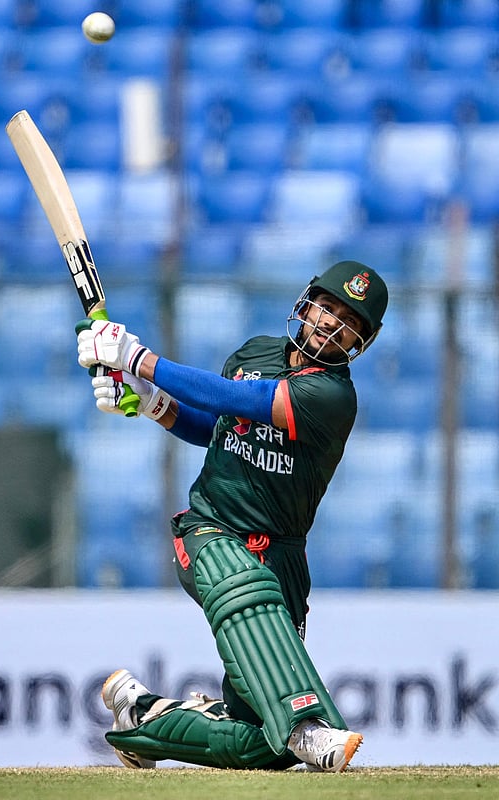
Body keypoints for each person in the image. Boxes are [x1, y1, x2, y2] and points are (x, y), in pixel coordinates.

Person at [75, 261, 387, 772]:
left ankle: (144, 717)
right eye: (327, 307)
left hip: (282, 554)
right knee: (243, 585)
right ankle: (309, 727)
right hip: (211, 529)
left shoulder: (332, 396)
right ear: (307, 304)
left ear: (362, 340)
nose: (331, 322)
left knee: (263, 746)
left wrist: (138, 360)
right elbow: (219, 426)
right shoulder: (254, 353)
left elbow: (245, 400)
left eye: (349, 320)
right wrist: (151, 404)